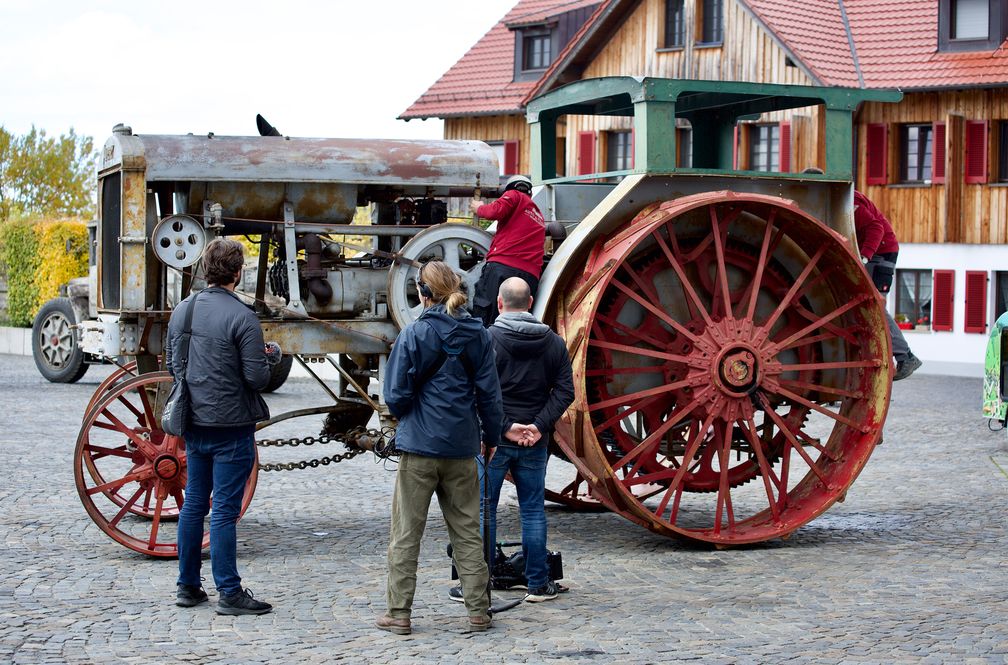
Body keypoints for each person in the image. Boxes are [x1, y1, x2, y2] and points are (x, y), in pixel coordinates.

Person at [378, 260, 504, 635]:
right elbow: (490, 396)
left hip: (419, 447)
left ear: (423, 293)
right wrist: (491, 437)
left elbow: (395, 395)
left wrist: (410, 414)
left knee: (406, 533)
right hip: (462, 447)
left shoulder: (414, 334)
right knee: (466, 530)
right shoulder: (478, 334)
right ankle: (478, 610)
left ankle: (399, 614)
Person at [167, 238, 280, 615]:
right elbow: (257, 378)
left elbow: (174, 365)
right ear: (238, 272)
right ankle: (229, 592)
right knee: (224, 511)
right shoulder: (243, 317)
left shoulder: (183, 310)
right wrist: (271, 357)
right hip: (232, 426)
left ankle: (188, 586)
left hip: (195, 423)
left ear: (204, 270)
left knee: (194, 504)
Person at [448, 276, 574, 603]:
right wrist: (538, 425)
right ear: (530, 303)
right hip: (534, 443)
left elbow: (474, 390)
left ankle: (477, 585)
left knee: (483, 511)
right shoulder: (554, 343)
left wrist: (504, 426)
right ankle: (537, 585)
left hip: (492, 441)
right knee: (532, 511)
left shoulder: (486, 339)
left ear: (500, 304)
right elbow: (565, 393)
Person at [854, 190, 923, 381]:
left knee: (873, 304)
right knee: (866, 306)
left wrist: (864, 257)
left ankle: (905, 356)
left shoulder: (850, 202)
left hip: (881, 253)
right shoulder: (846, 199)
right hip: (877, 252)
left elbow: (877, 228)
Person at [469, 174, 547, 327]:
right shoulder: (538, 215)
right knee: (517, 322)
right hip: (530, 276)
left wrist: (479, 207)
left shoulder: (514, 195)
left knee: (486, 315)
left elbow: (494, 211)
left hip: (503, 268)